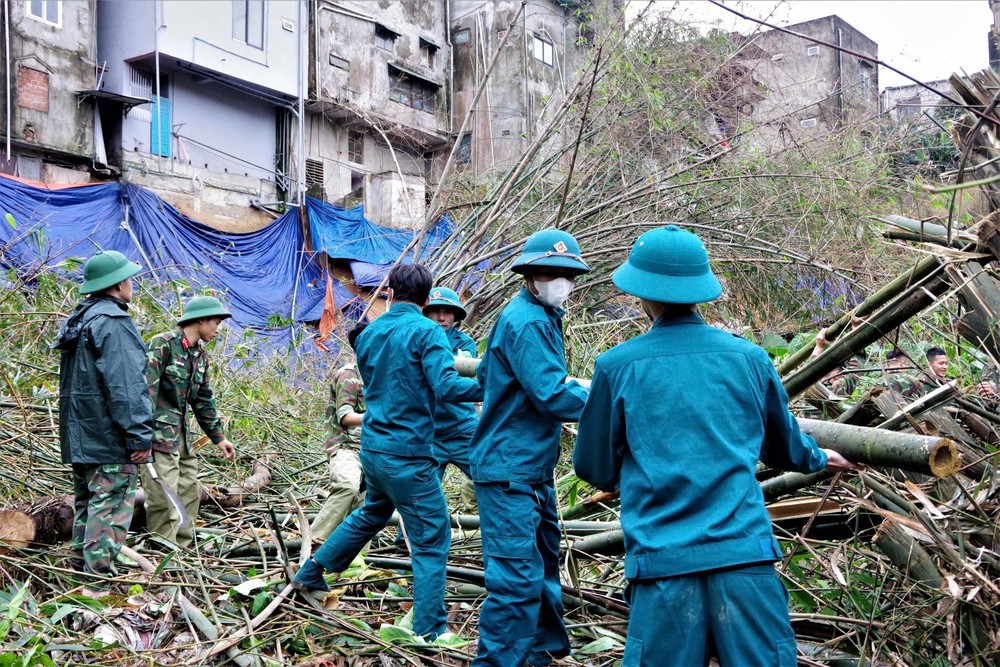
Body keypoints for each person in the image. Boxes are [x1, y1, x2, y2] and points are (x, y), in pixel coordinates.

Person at [573, 226, 858, 667]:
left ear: (640, 293)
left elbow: (594, 469)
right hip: (743, 556)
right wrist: (820, 456)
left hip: (663, 564)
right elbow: (784, 450)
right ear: (699, 290)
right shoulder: (749, 358)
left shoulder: (616, 367)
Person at [293, 263, 483, 641]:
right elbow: (445, 385)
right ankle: (430, 630)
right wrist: (493, 385)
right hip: (407, 455)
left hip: (375, 449)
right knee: (432, 538)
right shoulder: (428, 331)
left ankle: (311, 572)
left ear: (390, 293)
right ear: (427, 300)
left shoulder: (369, 332)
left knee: (372, 513)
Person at [470, 228, 591, 667]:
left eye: (566, 274)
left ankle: (540, 654)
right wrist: (610, 400)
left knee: (542, 567)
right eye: (550, 272)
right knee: (517, 580)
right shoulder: (527, 321)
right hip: (509, 471)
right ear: (530, 274)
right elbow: (551, 393)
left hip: (530, 467)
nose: (560, 281)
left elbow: (485, 376)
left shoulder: (536, 316)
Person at [55, 250, 154, 598]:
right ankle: (98, 583)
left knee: (88, 505)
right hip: (109, 437)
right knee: (110, 507)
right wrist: (140, 435)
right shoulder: (112, 322)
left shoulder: (79, 321)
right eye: (130, 278)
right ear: (118, 284)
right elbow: (126, 385)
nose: (132, 283)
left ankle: (80, 576)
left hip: (81, 437)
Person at [144, 296, 237, 548]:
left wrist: (218, 437)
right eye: (215, 323)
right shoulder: (162, 345)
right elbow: (144, 393)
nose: (218, 329)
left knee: (187, 491)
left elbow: (203, 401)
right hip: (157, 436)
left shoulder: (199, 356)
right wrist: (140, 436)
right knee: (164, 496)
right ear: (200, 320)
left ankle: (182, 548)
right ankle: (163, 550)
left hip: (182, 438)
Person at [310, 323, 368, 541]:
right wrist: (379, 418)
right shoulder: (349, 375)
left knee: (364, 505)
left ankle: (355, 559)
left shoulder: (379, 376)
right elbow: (345, 416)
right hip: (345, 446)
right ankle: (314, 543)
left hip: (370, 450)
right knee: (347, 486)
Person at [424, 287, 478, 512]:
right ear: (426, 313)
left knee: (488, 477)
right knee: (423, 491)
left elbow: (456, 378)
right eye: (435, 311)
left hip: (463, 428)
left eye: (447, 312)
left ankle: (492, 530)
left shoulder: (464, 343)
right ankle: (405, 542)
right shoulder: (418, 338)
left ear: (455, 316)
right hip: (430, 432)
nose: (441, 317)